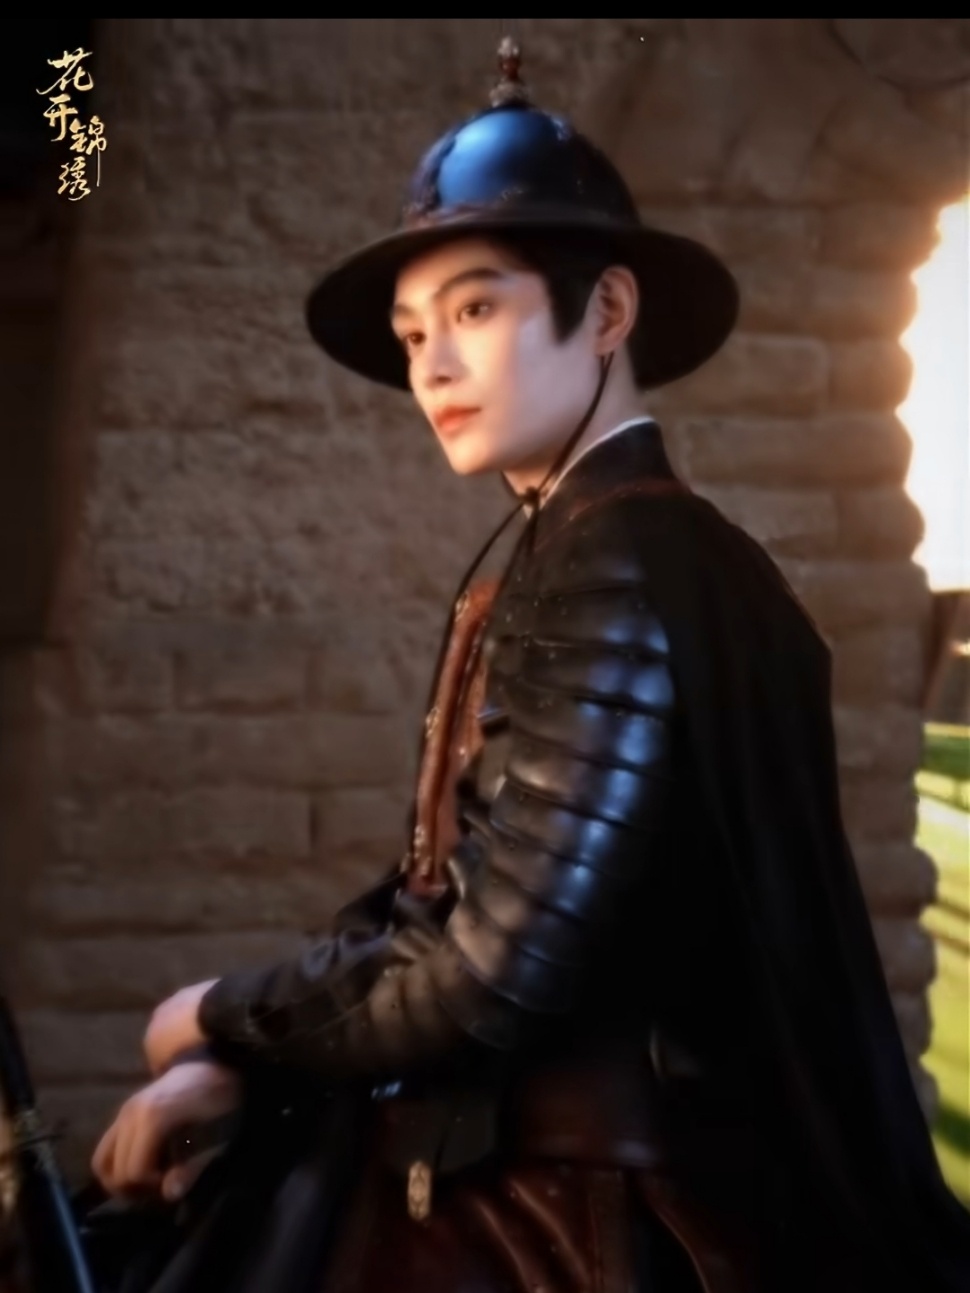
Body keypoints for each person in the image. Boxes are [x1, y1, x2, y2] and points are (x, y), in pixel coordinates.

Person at [86, 39, 970, 1293]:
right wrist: (247, 1051)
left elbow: (491, 973)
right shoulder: (589, 543)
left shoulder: (619, 559)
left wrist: (221, 1015)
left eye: (474, 310)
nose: (430, 366)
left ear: (605, 312)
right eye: (412, 333)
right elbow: (438, 894)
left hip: (592, 1209)